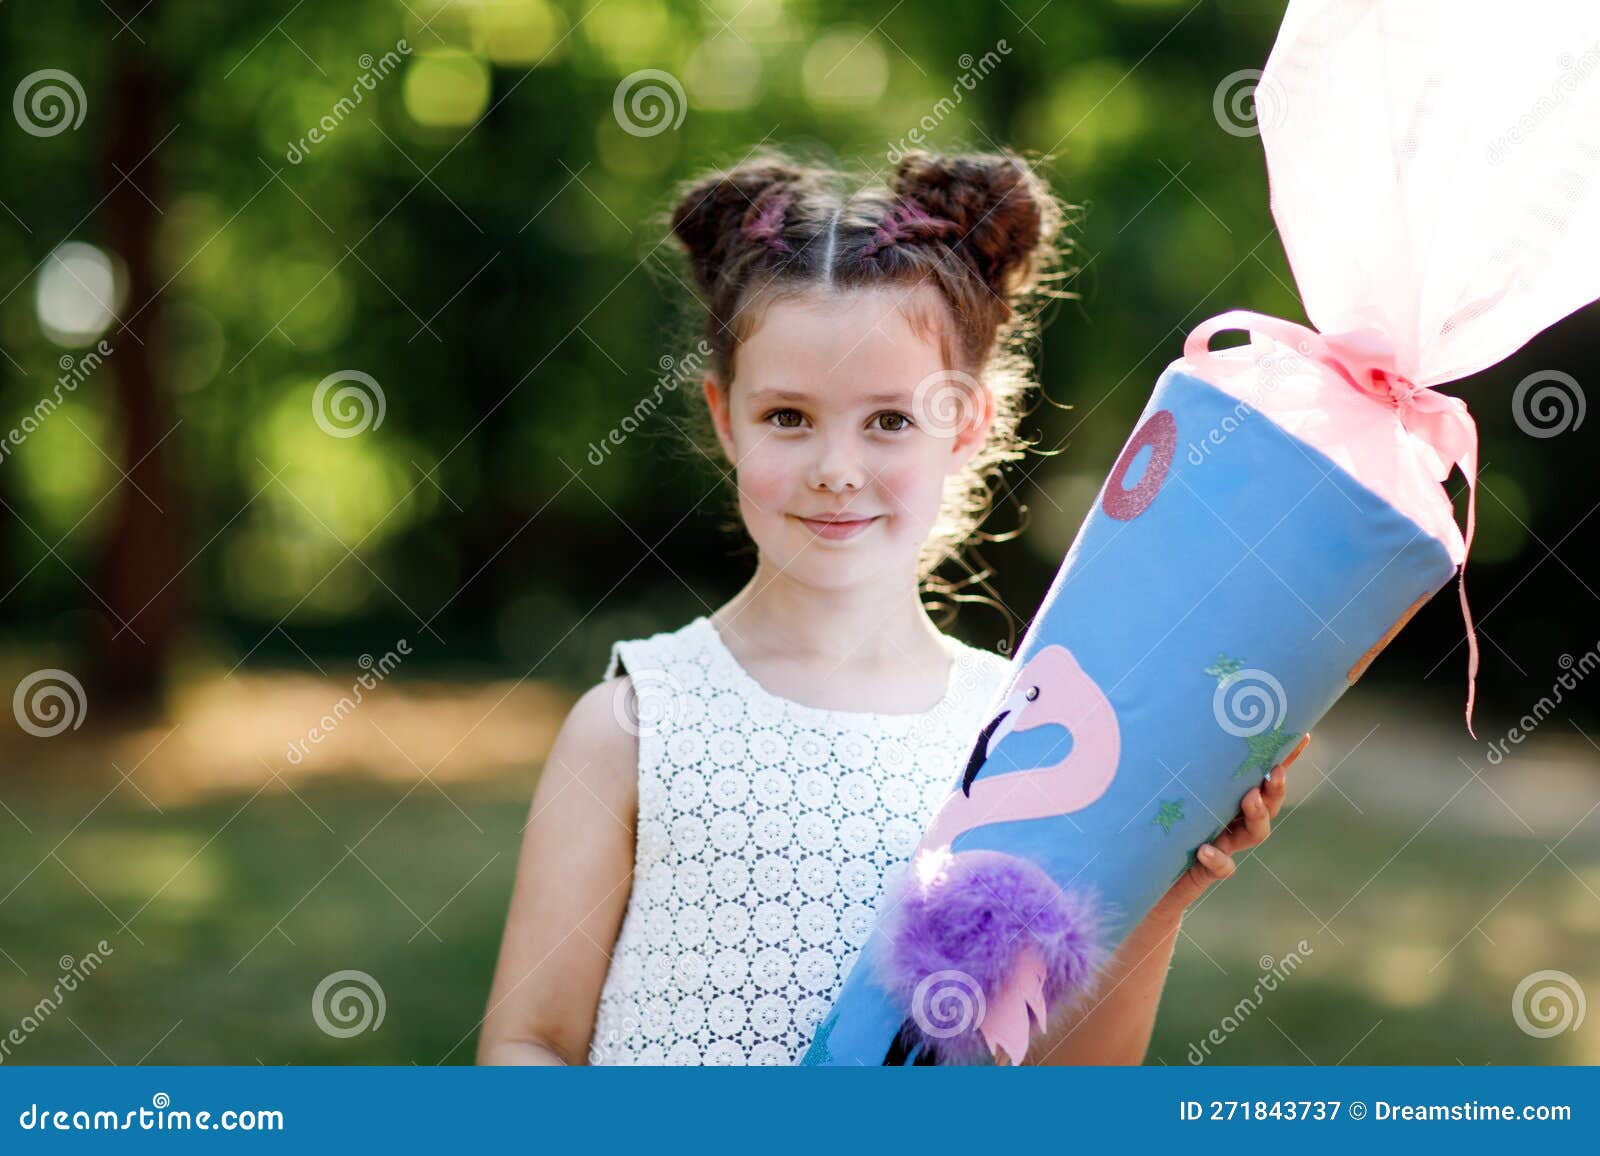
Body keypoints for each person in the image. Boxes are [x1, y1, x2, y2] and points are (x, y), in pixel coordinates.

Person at [477, 149, 1307, 1066]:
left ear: (967, 425)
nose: (837, 468)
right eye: (789, 417)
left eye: (890, 420)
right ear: (724, 417)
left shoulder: (1025, 735)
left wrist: (1162, 888)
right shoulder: (635, 724)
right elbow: (530, 1042)